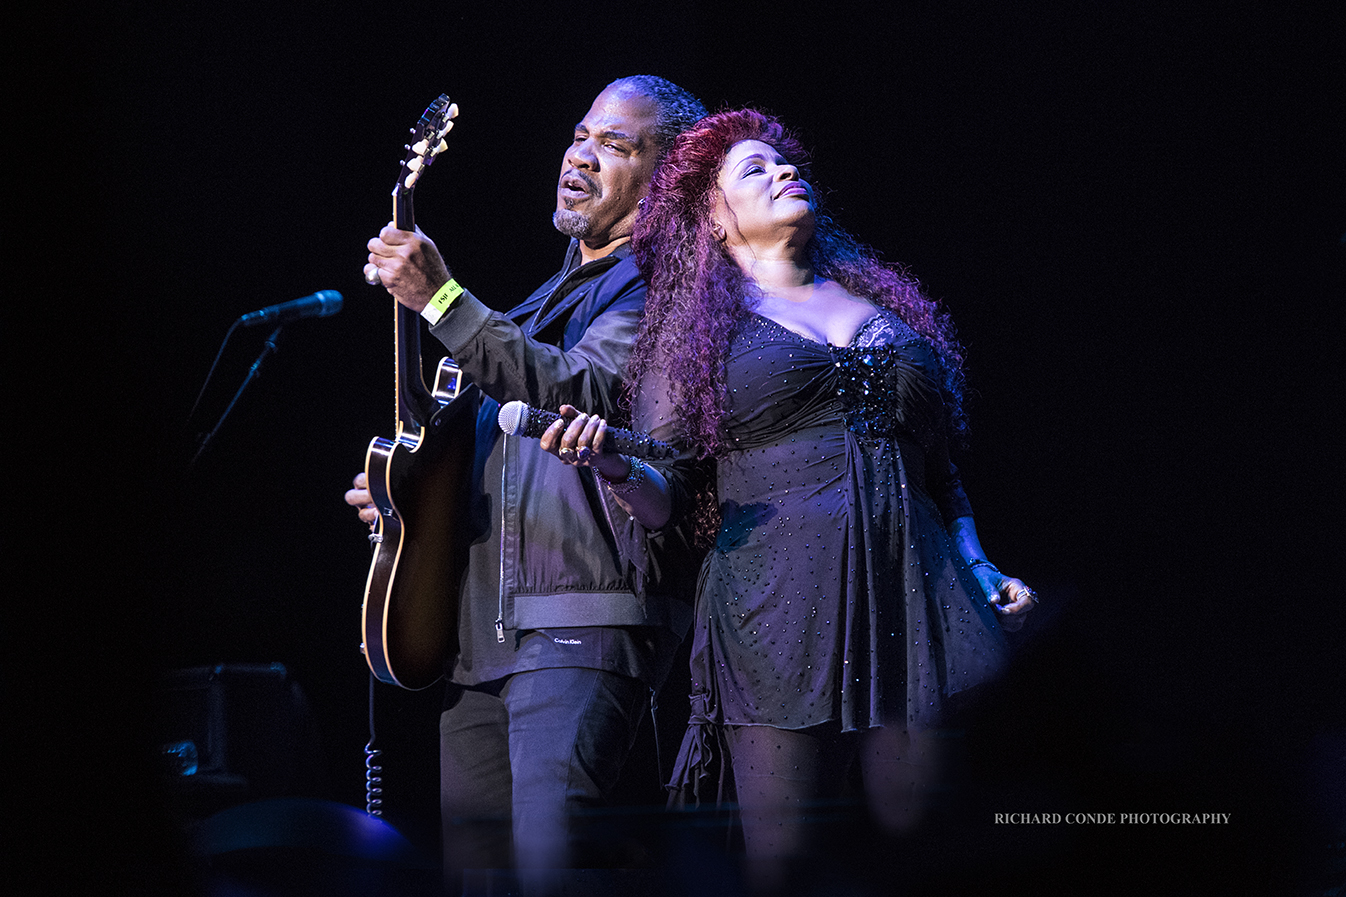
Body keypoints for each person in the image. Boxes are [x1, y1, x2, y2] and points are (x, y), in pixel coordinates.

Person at [541, 108, 1037, 893]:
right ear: (713, 216)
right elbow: (667, 493)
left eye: (784, 161)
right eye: (753, 170)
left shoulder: (886, 311)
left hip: (916, 598)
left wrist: (978, 565)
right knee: (790, 866)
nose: (782, 172)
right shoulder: (697, 330)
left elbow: (940, 472)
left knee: (926, 850)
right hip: (777, 612)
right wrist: (612, 466)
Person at [345, 76, 707, 890]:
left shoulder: (661, 292)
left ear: (667, 178)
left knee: (554, 874)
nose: (582, 155)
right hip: (481, 641)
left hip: (578, 622)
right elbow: (498, 460)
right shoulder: (541, 300)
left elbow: (576, 388)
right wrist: (409, 499)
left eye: (617, 146)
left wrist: (441, 297)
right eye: (581, 135)